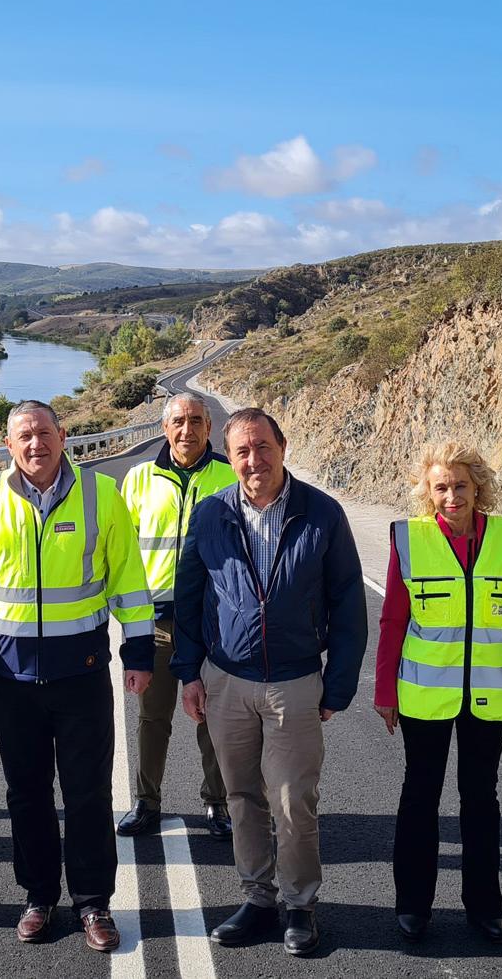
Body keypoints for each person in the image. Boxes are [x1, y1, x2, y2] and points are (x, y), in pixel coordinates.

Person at [0, 400, 154, 953]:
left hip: (81, 674)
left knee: (87, 794)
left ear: (64, 436)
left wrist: (141, 650)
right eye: (24, 436)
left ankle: (94, 903)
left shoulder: (102, 495)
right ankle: (38, 898)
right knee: (26, 794)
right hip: (11, 677)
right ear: (7, 445)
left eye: (45, 433)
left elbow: (127, 575)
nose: (36, 444)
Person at [173, 407, 368, 958]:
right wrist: (189, 672)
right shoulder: (211, 514)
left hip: (294, 681)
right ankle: (258, 899)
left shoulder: (322, 513)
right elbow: (188, 599)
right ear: (229, 458)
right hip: (226, 681)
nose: (253, 460)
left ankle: (300, 904)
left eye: (262, 447)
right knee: (241, 797)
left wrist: (339, 684)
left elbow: (348, 604)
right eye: (241, 451)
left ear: (282, 446)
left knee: (293, 801)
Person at [373, 441, 502, 946]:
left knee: (481, 800)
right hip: (425, 695)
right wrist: (385, 689)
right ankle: (413, 907)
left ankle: (485, 906)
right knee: (420, 798)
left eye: (461, 486)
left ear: (477, 487)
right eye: (441, 487)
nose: (452, 496)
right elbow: (393, 620)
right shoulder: (411, 539)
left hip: (490, 694)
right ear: (427, 491)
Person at [117, 393, 237, 840]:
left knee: (214, 717)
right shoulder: (137, 479)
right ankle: (147, 803)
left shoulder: (230, 477)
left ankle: (219, 804)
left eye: (195, 422)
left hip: (216, 622)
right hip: (158, 622)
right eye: (178, 422)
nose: (187, 430)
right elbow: (122, 552)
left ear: (210, 427)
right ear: (164, 429)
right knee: (154, 717)